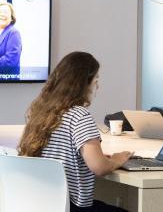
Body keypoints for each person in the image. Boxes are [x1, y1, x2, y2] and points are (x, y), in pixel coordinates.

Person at [18, 52, 132, 212]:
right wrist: (116, 160)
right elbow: (99, 167)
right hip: (72, 207)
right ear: (83, 84)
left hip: (42, 204)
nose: (97, 86)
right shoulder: (79, 115)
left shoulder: (41, 113)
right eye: (95, 81)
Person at [0, 2, 22, 79]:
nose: (2, 14)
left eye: (5, 12)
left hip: (9, 84)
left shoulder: (14, 33)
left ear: (12, 17)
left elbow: (11, 60)